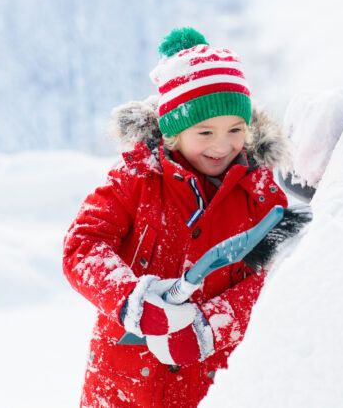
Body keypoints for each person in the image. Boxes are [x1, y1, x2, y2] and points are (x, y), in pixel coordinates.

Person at [62, 27, 306, 407]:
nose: (222, 145)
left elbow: (274, 281)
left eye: (235, 129)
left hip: (212, 385)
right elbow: (83, 245)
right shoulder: (137, 178)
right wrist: (131, 300)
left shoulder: (261, 196)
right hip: (127, 385)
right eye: (204, 131)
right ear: (173, 133)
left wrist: (209, 325)